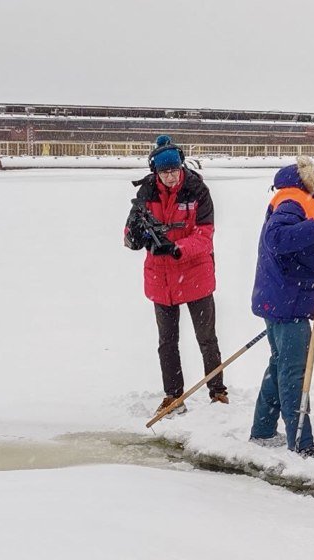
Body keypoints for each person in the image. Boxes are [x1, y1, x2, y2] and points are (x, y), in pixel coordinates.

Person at [249, 155, 314, 462]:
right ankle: (301, 441)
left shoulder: (305, 198)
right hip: (286, 300)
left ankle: (264, 428)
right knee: (294, 370)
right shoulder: (295, 199)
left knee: (279, 364)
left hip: (281, 297)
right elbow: (277, 238)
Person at [124, 135, 228, 416]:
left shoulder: (198, 191)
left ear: (181, 167)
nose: (170, 177)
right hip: (161, 279)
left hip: (195, 274)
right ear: (155, 171)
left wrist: (178, 248)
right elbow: (129, 236)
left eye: (174, 170)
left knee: (207, 337)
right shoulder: (146, 194)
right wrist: (134, 237)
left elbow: (205, 237)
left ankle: (217, 391)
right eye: (164, 172)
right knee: (167, 342)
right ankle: (173, 395)